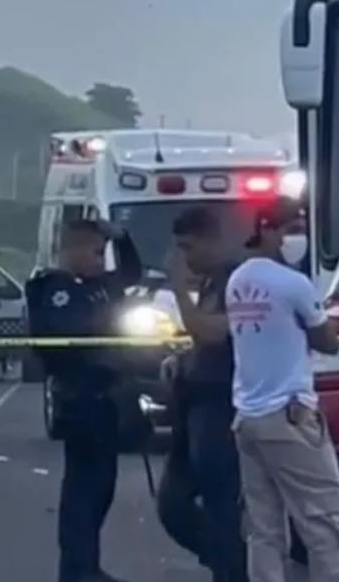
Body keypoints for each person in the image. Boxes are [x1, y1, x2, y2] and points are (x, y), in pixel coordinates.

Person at [225, 197, 339, 582]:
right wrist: (329, 321)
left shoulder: (239, 279)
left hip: (248, 415)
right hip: (289, 415)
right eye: (290, 230)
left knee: (264, 529)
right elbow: (327, 341)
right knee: (326, 522)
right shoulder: (292, 283)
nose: (296, 239)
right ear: (265, 230)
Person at [25, 219, 141, 582]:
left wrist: (120, 238)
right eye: (93, 252)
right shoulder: (55, 290)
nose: (97, 260)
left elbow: (130, 273)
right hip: (80, 400)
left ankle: (86, 566)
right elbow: (71, 337)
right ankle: (77, 570)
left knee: (101, 488)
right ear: (73, 251)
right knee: (82, 492)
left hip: (105, 400)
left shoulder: (96, 287)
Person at [156, 207, 247, 582]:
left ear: (212, 240)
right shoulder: (211, 282)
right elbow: (202, 341)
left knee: (219, 502)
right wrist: (182, 359)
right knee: (173, 506)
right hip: (192, 401)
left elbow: (211, 333)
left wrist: (177, 287)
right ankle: (230, 563)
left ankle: (234, 571)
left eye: (188, 247)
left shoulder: (238, 282)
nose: (184, 258)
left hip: (220, 402)